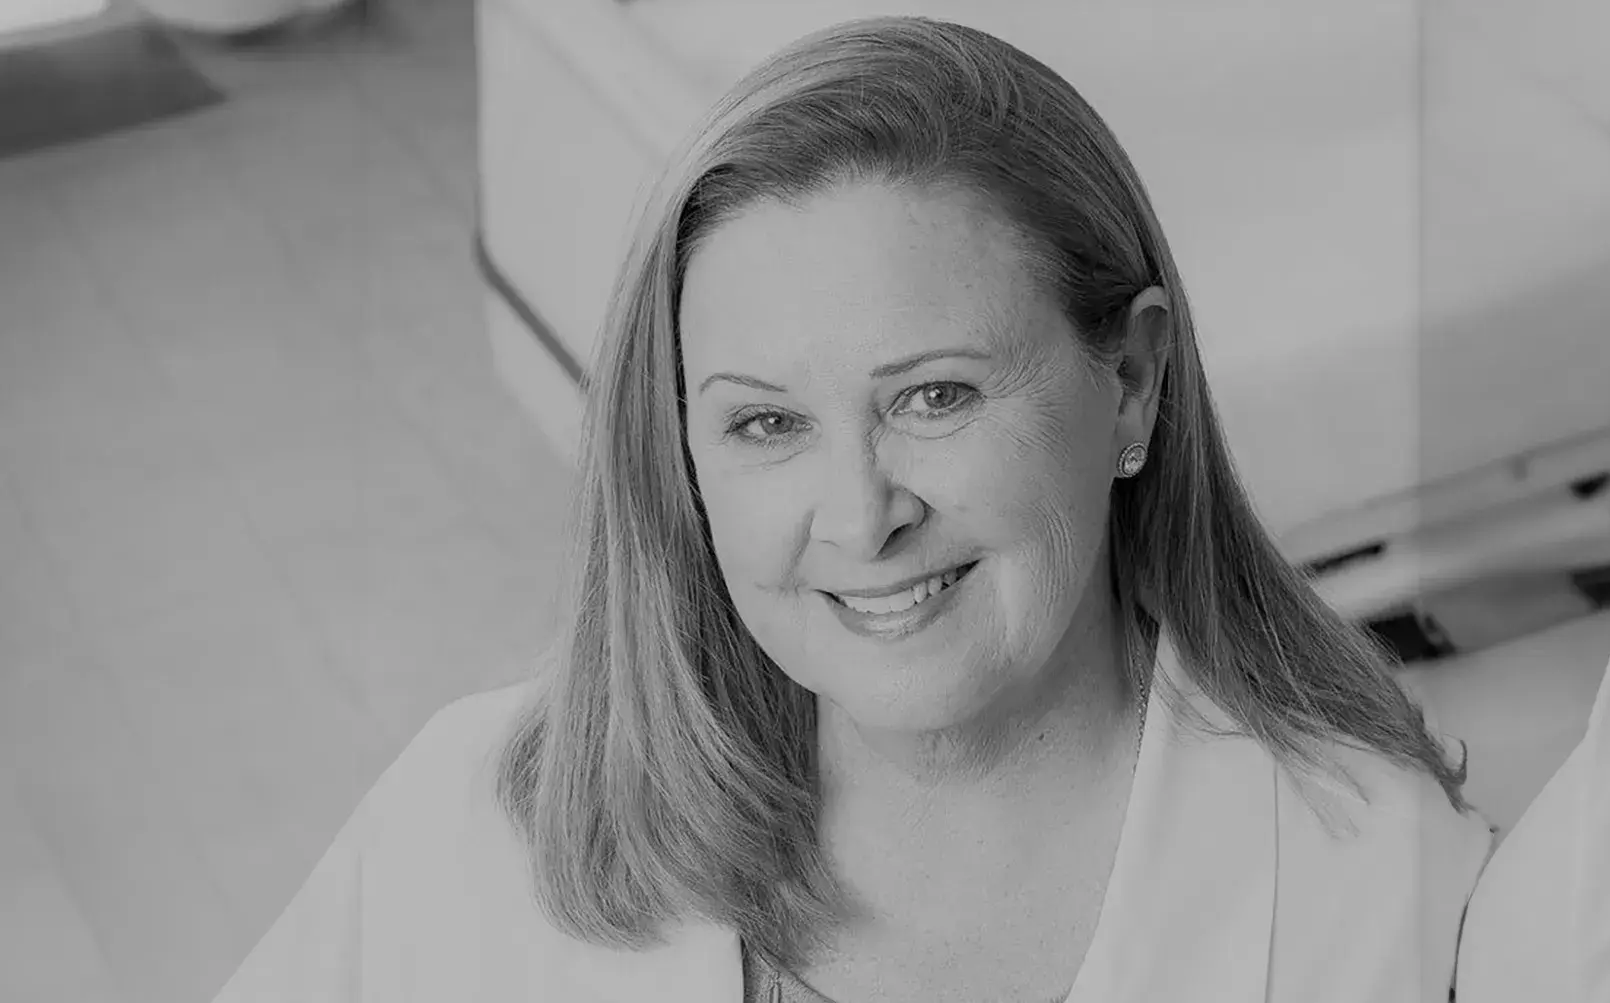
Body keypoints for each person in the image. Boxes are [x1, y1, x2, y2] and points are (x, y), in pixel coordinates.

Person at [213, 16, 1490, 1003]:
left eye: (933, 396)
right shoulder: (474, 824)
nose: (859, 514)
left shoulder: (1383, 895)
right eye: (766, 423)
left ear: (1134, 384)